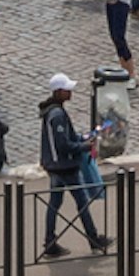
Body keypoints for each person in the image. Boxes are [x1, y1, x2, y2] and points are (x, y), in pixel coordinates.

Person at [35, 73, 106, 258]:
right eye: (67, 90)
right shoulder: (58, 114)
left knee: (55, 204)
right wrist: (83, 146)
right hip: (64, 166)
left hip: (54, 165)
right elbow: (63, 144)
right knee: (82, 202)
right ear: (59, 92)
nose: (71, 92)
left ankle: (50, 241)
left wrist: (83, 138)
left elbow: (66, 139)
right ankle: (93, 239)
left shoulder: (52, 111)